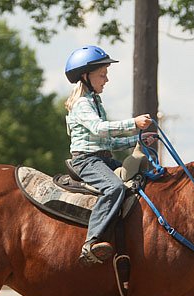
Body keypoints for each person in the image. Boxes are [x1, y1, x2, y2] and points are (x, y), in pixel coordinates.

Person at [64, 45, 154, 265]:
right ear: (85, 76)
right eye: (102, 75)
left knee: (141, 181)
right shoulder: (82, 103)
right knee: (114, 187)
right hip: (87, 161)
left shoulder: (95, 102)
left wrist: (138, 140)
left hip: (102, 158)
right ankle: (91, 242)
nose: (106, 80)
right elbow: (99, 128)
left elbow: (108, 141)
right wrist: (133, 123)